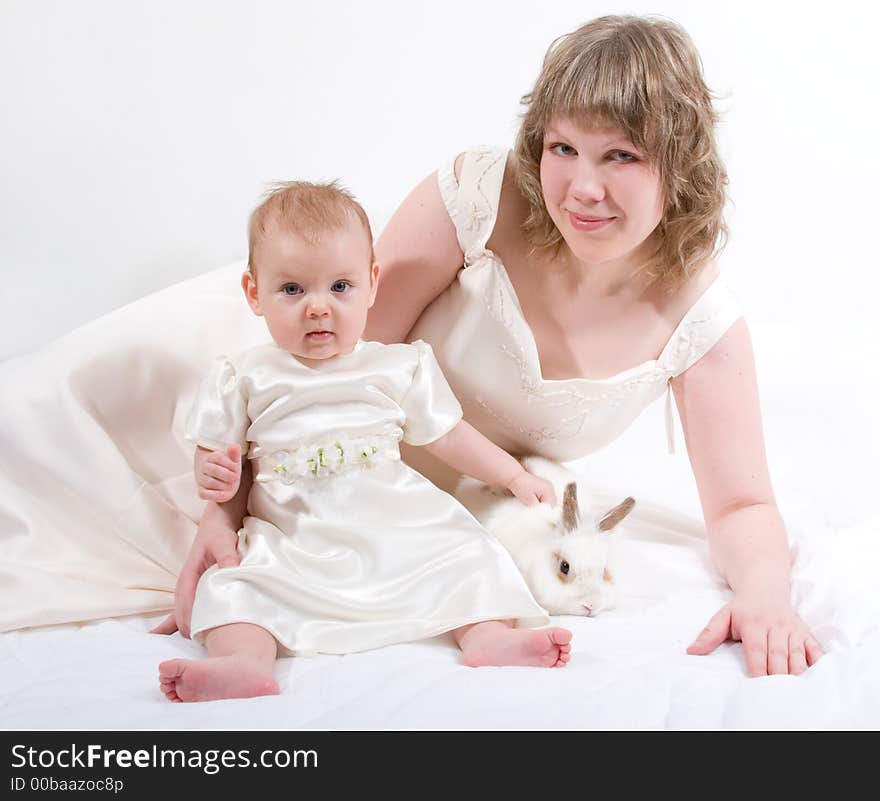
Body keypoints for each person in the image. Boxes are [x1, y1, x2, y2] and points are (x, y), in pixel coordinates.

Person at [161, 14, 822, 678]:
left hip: (427, 528)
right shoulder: (477, 198)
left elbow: (743, 504)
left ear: (680, 165)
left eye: (620, 154)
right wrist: (224, 511)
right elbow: (330, 361)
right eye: (562, 148)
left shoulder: (700, 318)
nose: (583, 189)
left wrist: (765, 597)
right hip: (282, 434)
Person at [157, 181, 570, 703]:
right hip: (294, 539)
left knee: (469, 554)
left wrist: (512, 475)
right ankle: (242, 661)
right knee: (235, 587)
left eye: (340, 287)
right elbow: (216, 452)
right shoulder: (244, 375)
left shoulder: (398, 366)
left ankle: (488, 636)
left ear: (372, 283)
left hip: (399, 529)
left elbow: (448, 435)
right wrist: (210, 473)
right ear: (253, 292)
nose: (317, 308)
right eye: (291, 290)